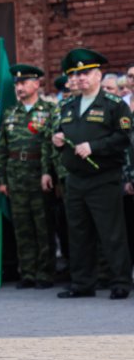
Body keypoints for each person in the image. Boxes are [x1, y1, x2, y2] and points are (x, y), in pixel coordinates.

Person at [54, 49, 133, 299]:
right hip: (75, 178)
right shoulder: (68, 105)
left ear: (98, 75)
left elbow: (124, 136)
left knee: (111, 232)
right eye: (76, 75)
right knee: (78, 232)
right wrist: (57, 139)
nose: (80, 79)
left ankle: (120, 281)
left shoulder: (114, 105)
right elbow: (60, 131)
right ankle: (82, 283)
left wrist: (94, 147)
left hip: (104, 177)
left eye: (86, 73)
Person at [0, 64, 57, 289]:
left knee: (42, 226)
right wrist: (2, 179)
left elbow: (50, 147)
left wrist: (46, 173)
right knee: (22, 227)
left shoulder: (49, 111)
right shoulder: (11, 113)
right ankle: (28, 272)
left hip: (38, 175)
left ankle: (45, 273)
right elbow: (2, 148)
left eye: (24, 83)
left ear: (37, 84)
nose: (19, 88)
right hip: (16, 176)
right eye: (17, 84)